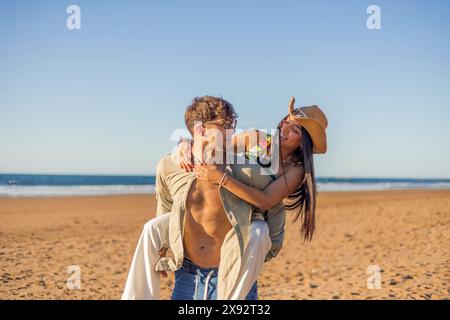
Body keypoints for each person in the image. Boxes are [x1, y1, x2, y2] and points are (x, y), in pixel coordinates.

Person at [122, 96, 286, 300]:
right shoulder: (169, 166)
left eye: (232, 123)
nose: (231, 129)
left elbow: (274, 206)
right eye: (224, 124)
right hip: (188, 278)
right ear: (200, 129)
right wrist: (162, 247)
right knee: (149, 227)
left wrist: (271, 249)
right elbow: (166, 204)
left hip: (233, 277)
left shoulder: (244, 169)